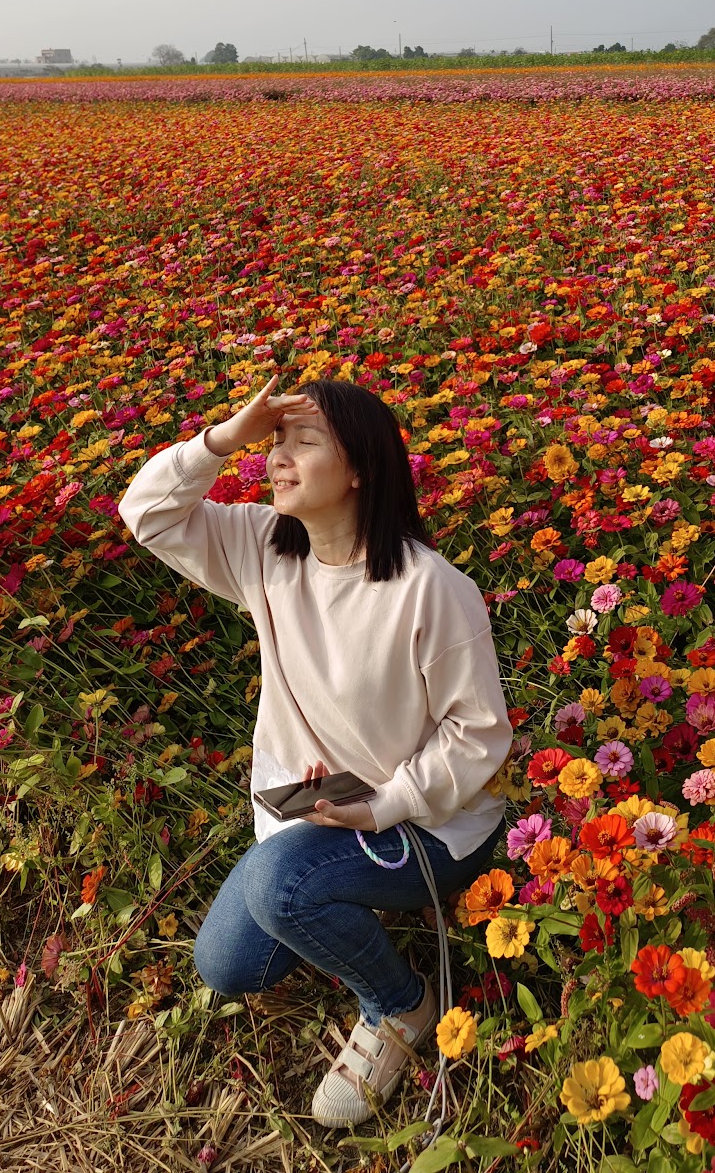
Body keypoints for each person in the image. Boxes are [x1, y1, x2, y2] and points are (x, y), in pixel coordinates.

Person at [117, 375, 513, 1127]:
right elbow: (147, 513)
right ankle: (339, 901)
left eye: (303, 442)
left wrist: (383, 806)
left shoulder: (429, 589)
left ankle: (400, 1005)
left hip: (429, 821)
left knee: (280, 890)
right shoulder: (263, 548)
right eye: (273, 443)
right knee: (228, 965)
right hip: (315, 809)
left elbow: (479, 734)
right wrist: (222, 439)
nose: (276, 458)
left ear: (359, 468)